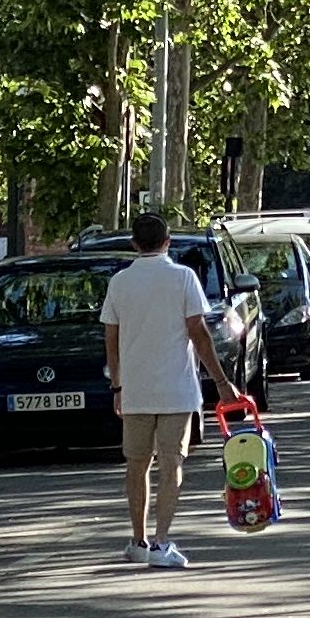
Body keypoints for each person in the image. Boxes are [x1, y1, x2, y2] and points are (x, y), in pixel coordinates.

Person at [102, 210, 241, 567]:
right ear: (168, 242)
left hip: (134, 390)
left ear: (134, 244)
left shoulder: (120, 282)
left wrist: (117, 386)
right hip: (177, 390)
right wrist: (222, 383)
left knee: (136, 465)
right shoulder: (183, 278)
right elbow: (199, 332)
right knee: (171, 464)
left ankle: (138, 540)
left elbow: (111, 339)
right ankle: (162, 542)